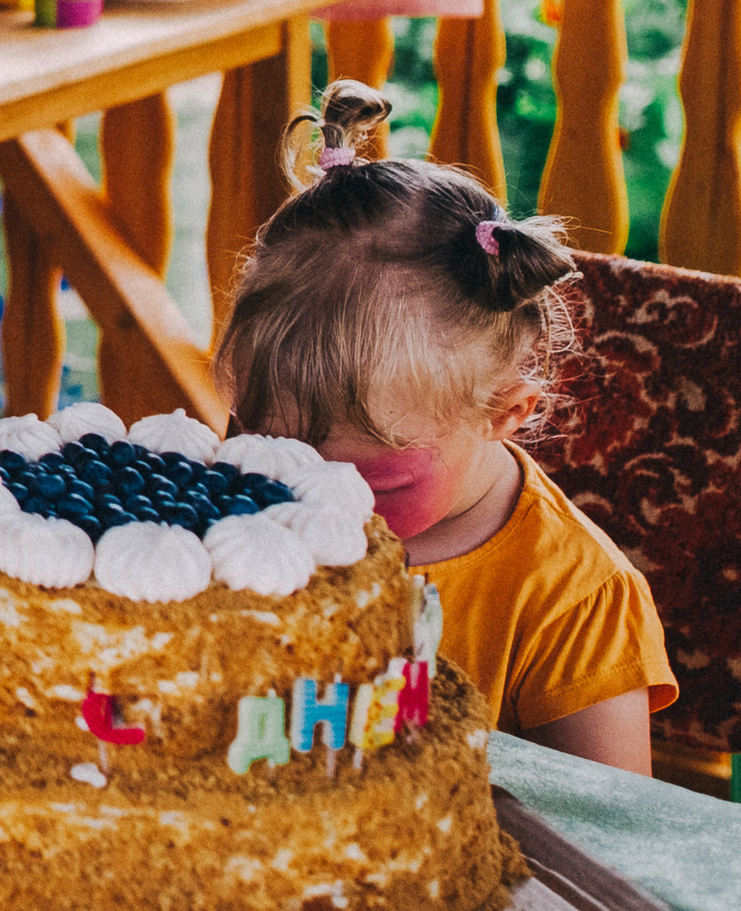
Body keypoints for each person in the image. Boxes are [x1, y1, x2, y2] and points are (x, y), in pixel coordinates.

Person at [216, 79, 675, 774]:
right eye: (271, 453)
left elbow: (609, 823)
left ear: (505, 413)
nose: (316, 498)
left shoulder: (571, 596)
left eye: (379, 483)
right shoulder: (234, 506)